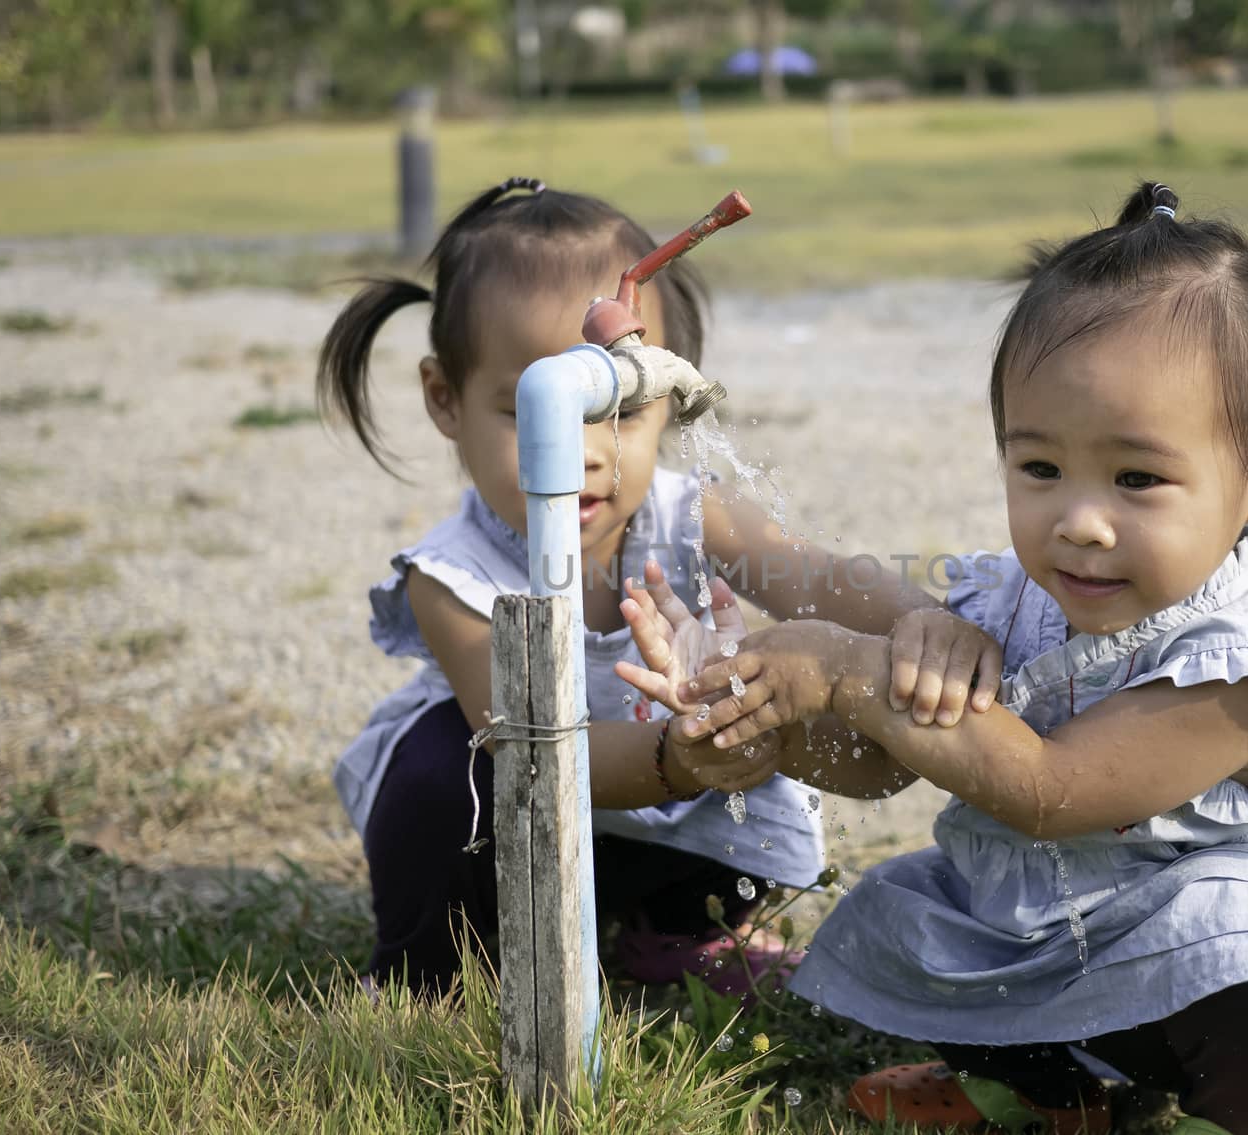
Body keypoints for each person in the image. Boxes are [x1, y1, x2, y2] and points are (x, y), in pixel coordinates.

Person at [623, 182, 1248, 1133]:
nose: (1081, 522)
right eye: (1040, 468)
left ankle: (1235, 1117)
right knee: (926, 920)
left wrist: (842, 667)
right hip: (1047, 931)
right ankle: (1053, 1095)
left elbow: (1049, 789)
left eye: (1137, 478)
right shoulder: (1008, 598)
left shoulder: (1240, 663)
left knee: (1242, 958)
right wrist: (756, 702)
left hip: (1193, 956)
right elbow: (878, 756)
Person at [317, 177, 1000, 998]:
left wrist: (927, 625)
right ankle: (436, 967)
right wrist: (678, 755)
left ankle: (682, 932)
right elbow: (529, 745)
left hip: (664, 810)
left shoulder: (687, 514)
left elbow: (820, 578)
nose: (583, 453)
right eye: (532, 411)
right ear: (445, 399)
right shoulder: (452, 576)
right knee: (438, 774)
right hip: (519, 827)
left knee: (754, 715)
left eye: (618, 411)